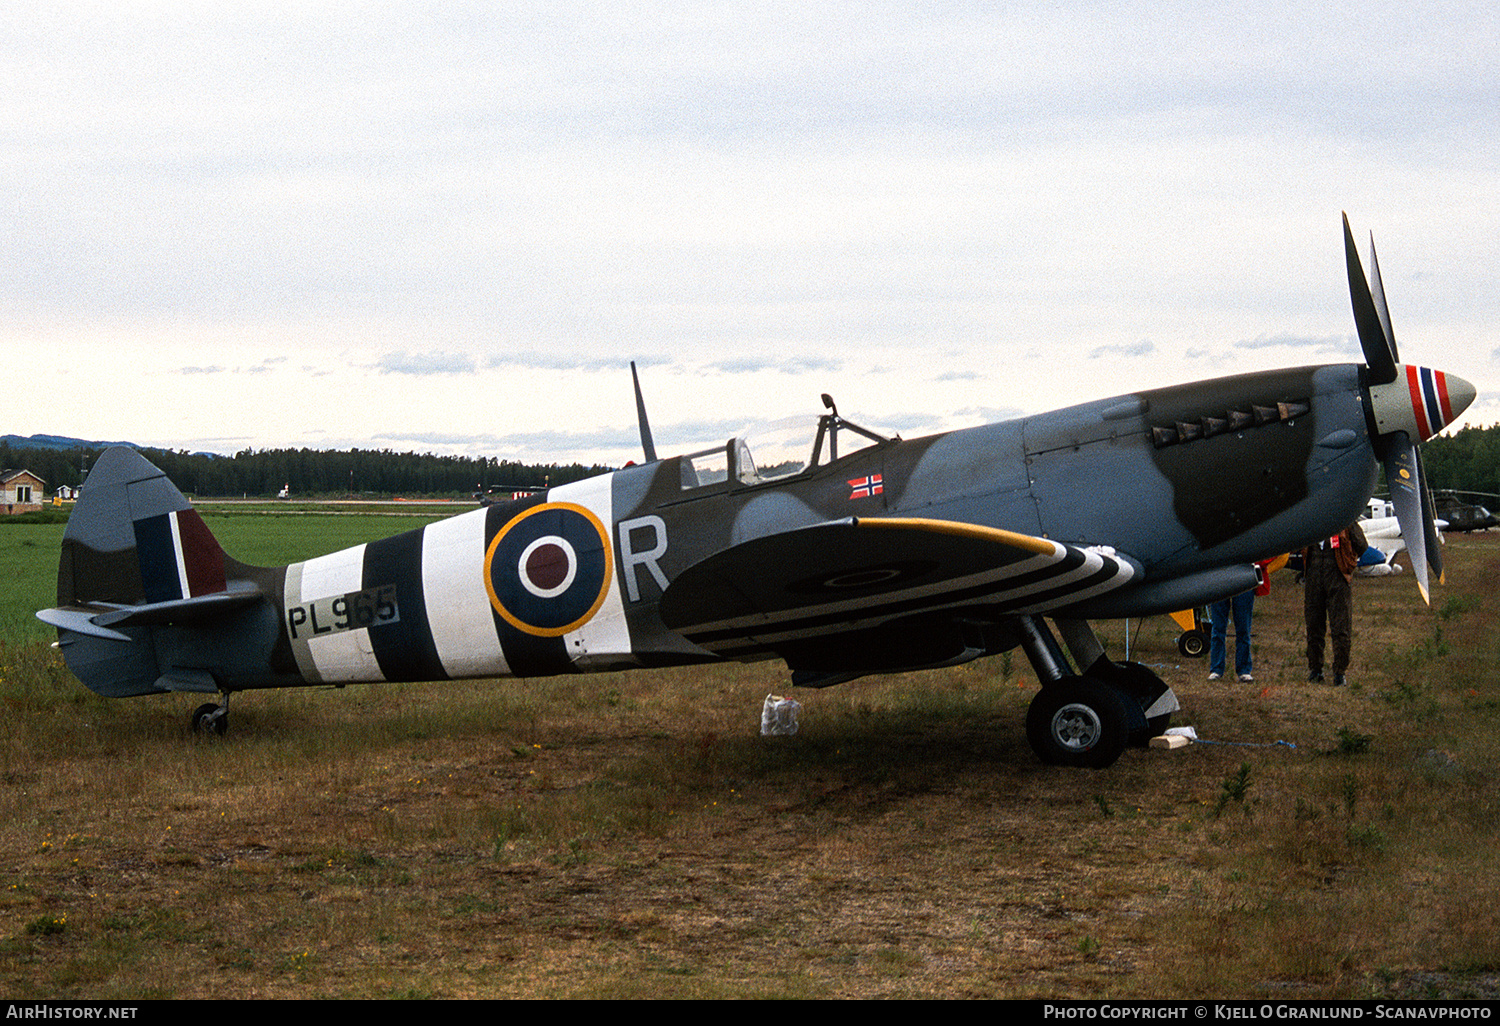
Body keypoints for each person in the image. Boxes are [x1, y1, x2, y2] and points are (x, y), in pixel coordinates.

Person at [1301, 522, 1368, 686]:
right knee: (1313, 625)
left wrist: (1349, 561)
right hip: (1313, 576)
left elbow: (1362, 545)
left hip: (1337, 577)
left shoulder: (1346, 520)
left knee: (1341, 627)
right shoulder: (1309, 521)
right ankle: (1315, 669)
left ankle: (1339, 672)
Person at [1207, 558, 1275, 683]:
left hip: (1244, 576)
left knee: (1243, 628)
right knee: (1218, 628)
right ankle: (1216, 669)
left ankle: (1244, 670)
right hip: (1219, 576)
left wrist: (1258, 564)